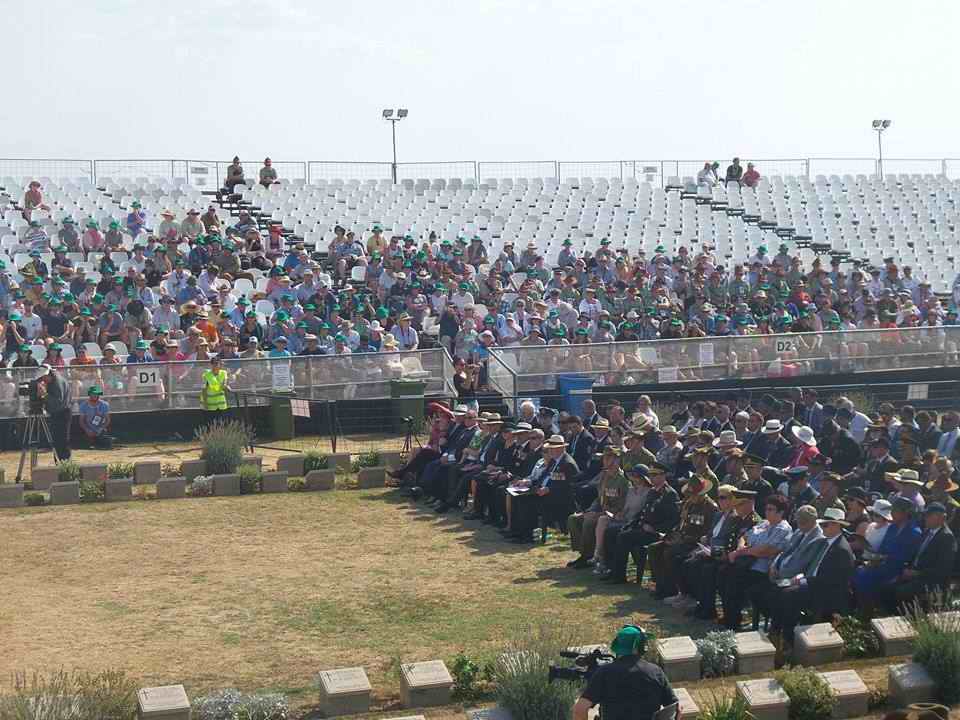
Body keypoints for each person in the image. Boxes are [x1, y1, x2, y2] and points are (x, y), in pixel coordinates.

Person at [573, 625, 678, 720]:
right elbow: (676, 709)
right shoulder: (656, 671)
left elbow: (580, 710)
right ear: (641, 647)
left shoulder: (604, 672)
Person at [36, 364, 73, 460]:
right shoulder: (53, 380)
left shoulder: (57, 382)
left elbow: (58, 402)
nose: (43, 379)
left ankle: (65, 463)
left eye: (44, 377)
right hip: (58, 413)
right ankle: (60, 462)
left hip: (62, 413)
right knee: (57, 440)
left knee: (62, 441)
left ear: (49, 374)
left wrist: (44, 395)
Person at [200, 355, 231, 421]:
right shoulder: (206, 374)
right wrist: (205, 404)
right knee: (211, 423)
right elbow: (204, 389)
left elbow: (224, 384)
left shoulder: (224, 373)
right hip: (210, 405)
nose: (215, 365)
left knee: (222, 423)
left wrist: (226, 387)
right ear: (211, 364)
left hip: (221, 404)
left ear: (220, 364)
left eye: (217, 363)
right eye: (213, 363)